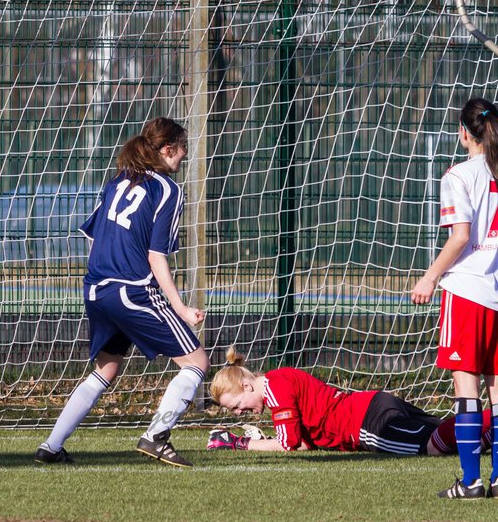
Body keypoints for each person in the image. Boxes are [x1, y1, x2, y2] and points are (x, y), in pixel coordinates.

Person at [35, 117, 207, 468]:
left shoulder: (117, 182)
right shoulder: (168, 190)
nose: (185, 155)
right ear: (168, 149)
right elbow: (156, 256)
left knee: (107, 370)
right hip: (132, 290)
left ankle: (50, 446)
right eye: (182, 148)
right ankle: (156, 436)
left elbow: (95, 238)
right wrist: (180, 307)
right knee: (196, 361)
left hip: (97, 289)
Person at [409, 96, 498, 498]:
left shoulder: (458, 175)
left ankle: (471, 481)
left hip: (467, 291)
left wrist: (429, 277)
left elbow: (460, 237)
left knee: (467, 389)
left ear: (464, 132)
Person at [208, 349, 492, 457]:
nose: (238, 411)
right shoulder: (276, 385)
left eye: (236, 404)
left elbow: (288, 444)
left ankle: (493, 420)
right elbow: (305, 443)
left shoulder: (275, 387)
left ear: (247, 386)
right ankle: (491, 429)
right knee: (455, 436)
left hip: (367, 424)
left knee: (432, 447)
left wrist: (237, 443)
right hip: (374, 405)